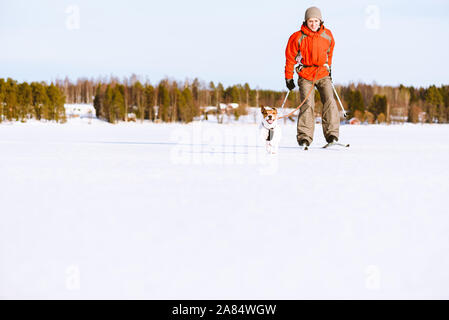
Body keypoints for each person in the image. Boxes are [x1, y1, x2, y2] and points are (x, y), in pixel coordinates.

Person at [284, 6, 340, 148]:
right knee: (307, 104)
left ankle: (332, 135)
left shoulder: (327, 35)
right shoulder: (297, 37)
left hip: (322, 73)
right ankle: (304, 137)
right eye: (310, 21)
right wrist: (288, 78)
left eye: (316, 21)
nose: (313, 24)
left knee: (330, 101)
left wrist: (329, 67)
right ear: (306, 21)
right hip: (306, 75)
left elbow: (330, 52)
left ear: (320, 21)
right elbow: (290, 58)